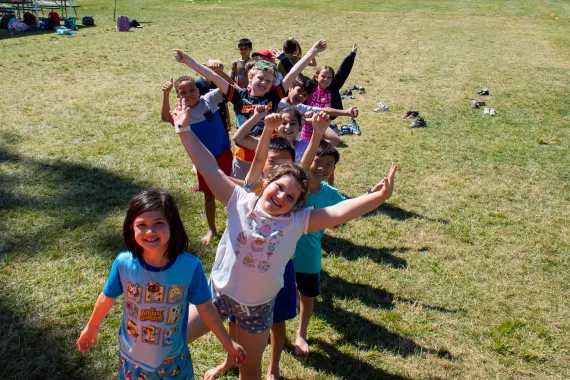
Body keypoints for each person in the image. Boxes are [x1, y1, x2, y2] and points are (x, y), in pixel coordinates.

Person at [170, 97, 397, 379]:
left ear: (297, 204)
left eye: (290, 197)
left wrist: (378, 197)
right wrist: (184, 130)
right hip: (216, 295)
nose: (281, 197)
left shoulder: (297, 221)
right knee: (170, 342)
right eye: (278, 188)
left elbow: (340, 211)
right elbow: (209, 166)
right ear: (266, 183)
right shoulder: (238, 200)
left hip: (257, 310)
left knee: (249, 370)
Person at [202, 111, 329, 380]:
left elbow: (302, 171)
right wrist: (268, 134)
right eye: (273, 162)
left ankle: (272, 369)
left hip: (275, 272)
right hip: (240, 280)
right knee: (236, 320)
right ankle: (231, 361)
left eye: (285, 162)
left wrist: (316, 134)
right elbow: (258, 159)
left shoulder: (290, 194)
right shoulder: (253, 189)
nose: (277, 166)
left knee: (277, 321)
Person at [76, 190, 246, 379]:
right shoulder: (123, 263)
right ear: (131, 227)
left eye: (158, 223)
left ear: (172, 225)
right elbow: (106, 298)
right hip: (132, 359)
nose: (150, 231)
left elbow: (206, 308)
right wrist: (91, 326)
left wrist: (227, 342)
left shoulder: (189, 267)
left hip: (172, 360)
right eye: (142, 225)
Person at [173, 39, 327, 180]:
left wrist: (312, 52)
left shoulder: (273, 95)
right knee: (242, 191)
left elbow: (293, 74)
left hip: (269, 152)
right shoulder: (239, 95)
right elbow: (213, 76)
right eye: (260, 78)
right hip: (244, 155)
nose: (264, 83)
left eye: (268, 81)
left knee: (267, 187)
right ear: (251, 77)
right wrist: (187, 60)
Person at [161, 75, 233, 244]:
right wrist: (165, 94)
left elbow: (230, 87)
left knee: (231, 192)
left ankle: (235, 224)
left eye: (192, 89)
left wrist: (216, 72)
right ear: (178, 96)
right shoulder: (181, 114)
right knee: (209, 196)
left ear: (198, 90)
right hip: (203, 161)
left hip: (224, 155)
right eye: (183, 92)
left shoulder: (209, 100)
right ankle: (212, 229)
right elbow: (165, 117)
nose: (189, 94)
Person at [300, 44, 358, 143]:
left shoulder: (332, 89)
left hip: (323, 125)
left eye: (329, 77)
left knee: (334, 140)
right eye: (323, 76)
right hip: (306, 124)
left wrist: (351, 55)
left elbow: (343, 72)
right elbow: (296, 74)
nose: (325, 79)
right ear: (316, 76)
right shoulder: (309, 87)